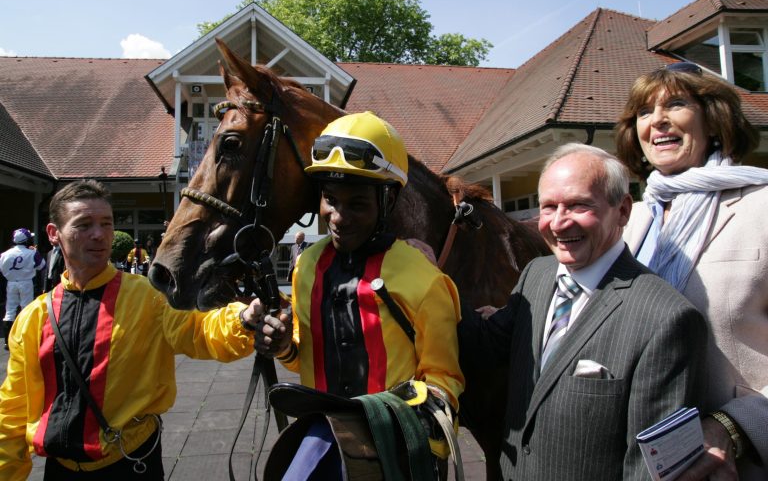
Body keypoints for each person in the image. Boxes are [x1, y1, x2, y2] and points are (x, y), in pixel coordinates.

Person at [459, 144, 707, 480]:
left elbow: (651, 470)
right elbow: (489, 342)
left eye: (578, 205)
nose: (559, 223)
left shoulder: (666, 318)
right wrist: (428, 281)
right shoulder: (536, 274)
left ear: (622, 211)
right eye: (549, 207)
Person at [0, 179, 263, 480]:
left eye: (106, 223)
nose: (98, 234)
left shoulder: (149, 296)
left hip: (131, 462)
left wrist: (242, 319)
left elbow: (199, 332)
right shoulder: (33, 318)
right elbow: (13, 409)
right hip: (60, 469)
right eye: (84, 225)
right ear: (53, 234)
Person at [252, 112, 464, 477]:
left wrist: (411, 439)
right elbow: (303, 357)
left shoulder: (424, 281)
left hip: (393, 449)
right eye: (330, 199)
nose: (337, 216)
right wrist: (284, 344)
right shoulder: (308, 267)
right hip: (322, 434)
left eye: (357, 204)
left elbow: (444, 379)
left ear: (390, 200)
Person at [617, 61, 768, 481]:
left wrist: (736, 427)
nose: (657, 120)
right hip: (638, 454)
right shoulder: (630, 221)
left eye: (677, 104)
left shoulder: (763, 207)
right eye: (645, 112)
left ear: (714, 120)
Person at [0, 228, 46, 350]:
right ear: (26, 240)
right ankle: (23, 338)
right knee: (26, 308)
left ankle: (7, 341)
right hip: (26, 282)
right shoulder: (32, 253)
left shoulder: (5, 254)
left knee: (9, 311)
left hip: (11, 283)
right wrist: (35, 252)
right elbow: (42, 265)